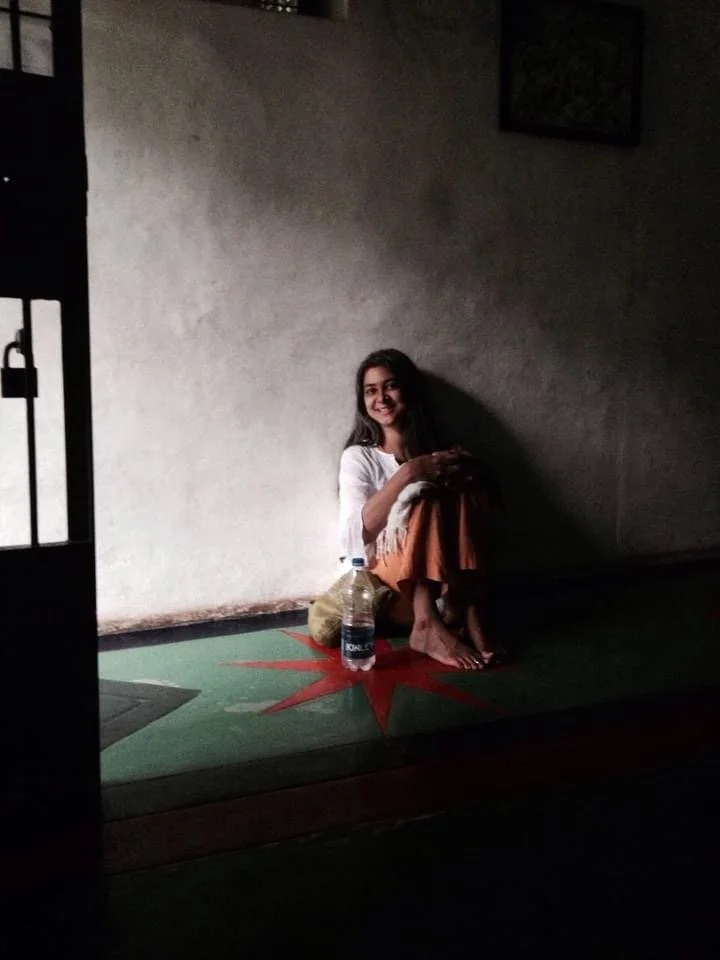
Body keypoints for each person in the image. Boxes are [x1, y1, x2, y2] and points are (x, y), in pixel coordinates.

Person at [339, 348, 503, 671]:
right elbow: (352, 539)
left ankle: (472, 613)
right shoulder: (359, 457)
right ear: (363, 402)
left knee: (460, 485)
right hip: (388, 589)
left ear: (409, 390)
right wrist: (410, 473)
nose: (382, 398)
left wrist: (469, 472)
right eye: (371, 391)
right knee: (422, 494)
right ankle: (425, 623)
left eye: (390, 386)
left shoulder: (436, 455)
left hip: (448, 587)